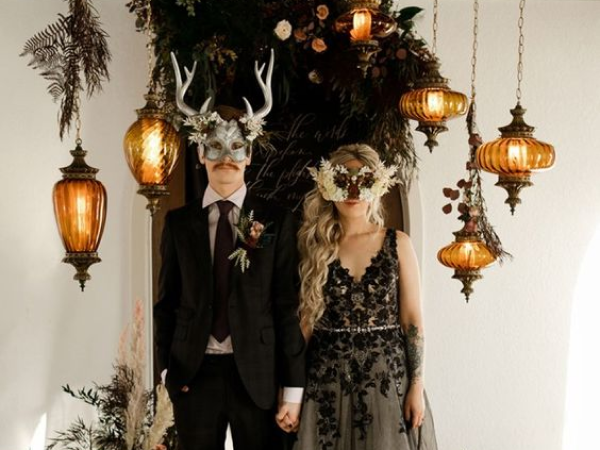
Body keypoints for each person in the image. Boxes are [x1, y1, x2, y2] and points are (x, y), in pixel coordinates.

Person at [154, 51, 306, 450]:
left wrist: (292, 388)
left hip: (258, 377)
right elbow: (166, 303)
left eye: (237, 147)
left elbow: (286, 304)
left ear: (250, 155)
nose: (226, 158)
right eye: (215, 148)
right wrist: (164, 374)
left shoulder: (275, 219)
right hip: (193, 374)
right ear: (201, 153)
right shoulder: (178, 223)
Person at [293, 144, 438, 450]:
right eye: (343, 180)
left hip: (387, 381)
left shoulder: (398, 243)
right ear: (327, 185)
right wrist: (289, 391)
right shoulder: (315, 246)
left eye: (364, 181)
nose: (353, 190)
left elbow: (412, 320)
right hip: (327, 381)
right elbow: (305, 322)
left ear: (379, 185)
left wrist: (416, 384)